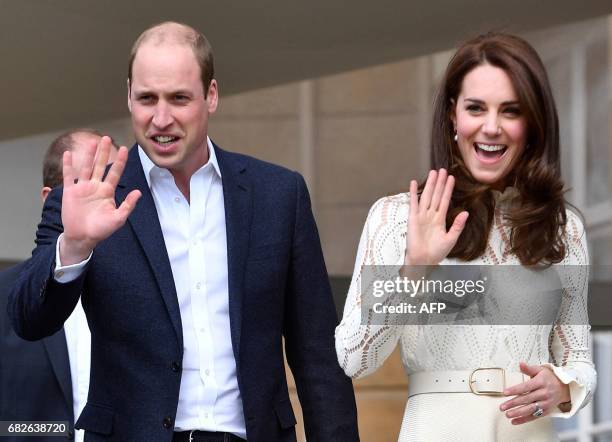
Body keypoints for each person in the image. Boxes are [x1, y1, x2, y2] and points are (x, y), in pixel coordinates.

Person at [9, 22, 359, 442]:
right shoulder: (88, 197)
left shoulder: (278, 195)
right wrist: (75, 244)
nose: (161, 118)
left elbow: (317, 353)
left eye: (178, 98)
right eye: (146, 99)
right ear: (129, 97)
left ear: (211, 95)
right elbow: (28, 318)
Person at [335, 32, 596, 441]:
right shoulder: (397, 217)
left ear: (533, 124)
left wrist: (563, 386)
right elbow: (354, 357)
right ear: (453, 116)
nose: (491, 127)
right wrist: (414, 268)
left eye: (510, 111)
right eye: (476, 108)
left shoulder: (564, 228)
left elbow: (579, 360)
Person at [1, 129, 117, 442]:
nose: (98, 198)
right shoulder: (7, 295)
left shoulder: (145, 291)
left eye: (109, 186)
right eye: (82, 185)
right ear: (48, 199)